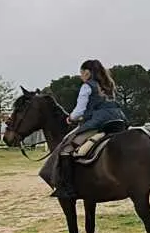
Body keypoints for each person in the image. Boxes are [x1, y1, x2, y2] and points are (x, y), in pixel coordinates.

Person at [51, 59, 128, 198]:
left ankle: (68, 189)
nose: (81, 76)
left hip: (99, 122)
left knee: (65, 149)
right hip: (119, 119)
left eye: (81, 73)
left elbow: (80, 109)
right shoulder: (109, 85)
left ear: (87, 72)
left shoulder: (87, 86)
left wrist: (71, 118)